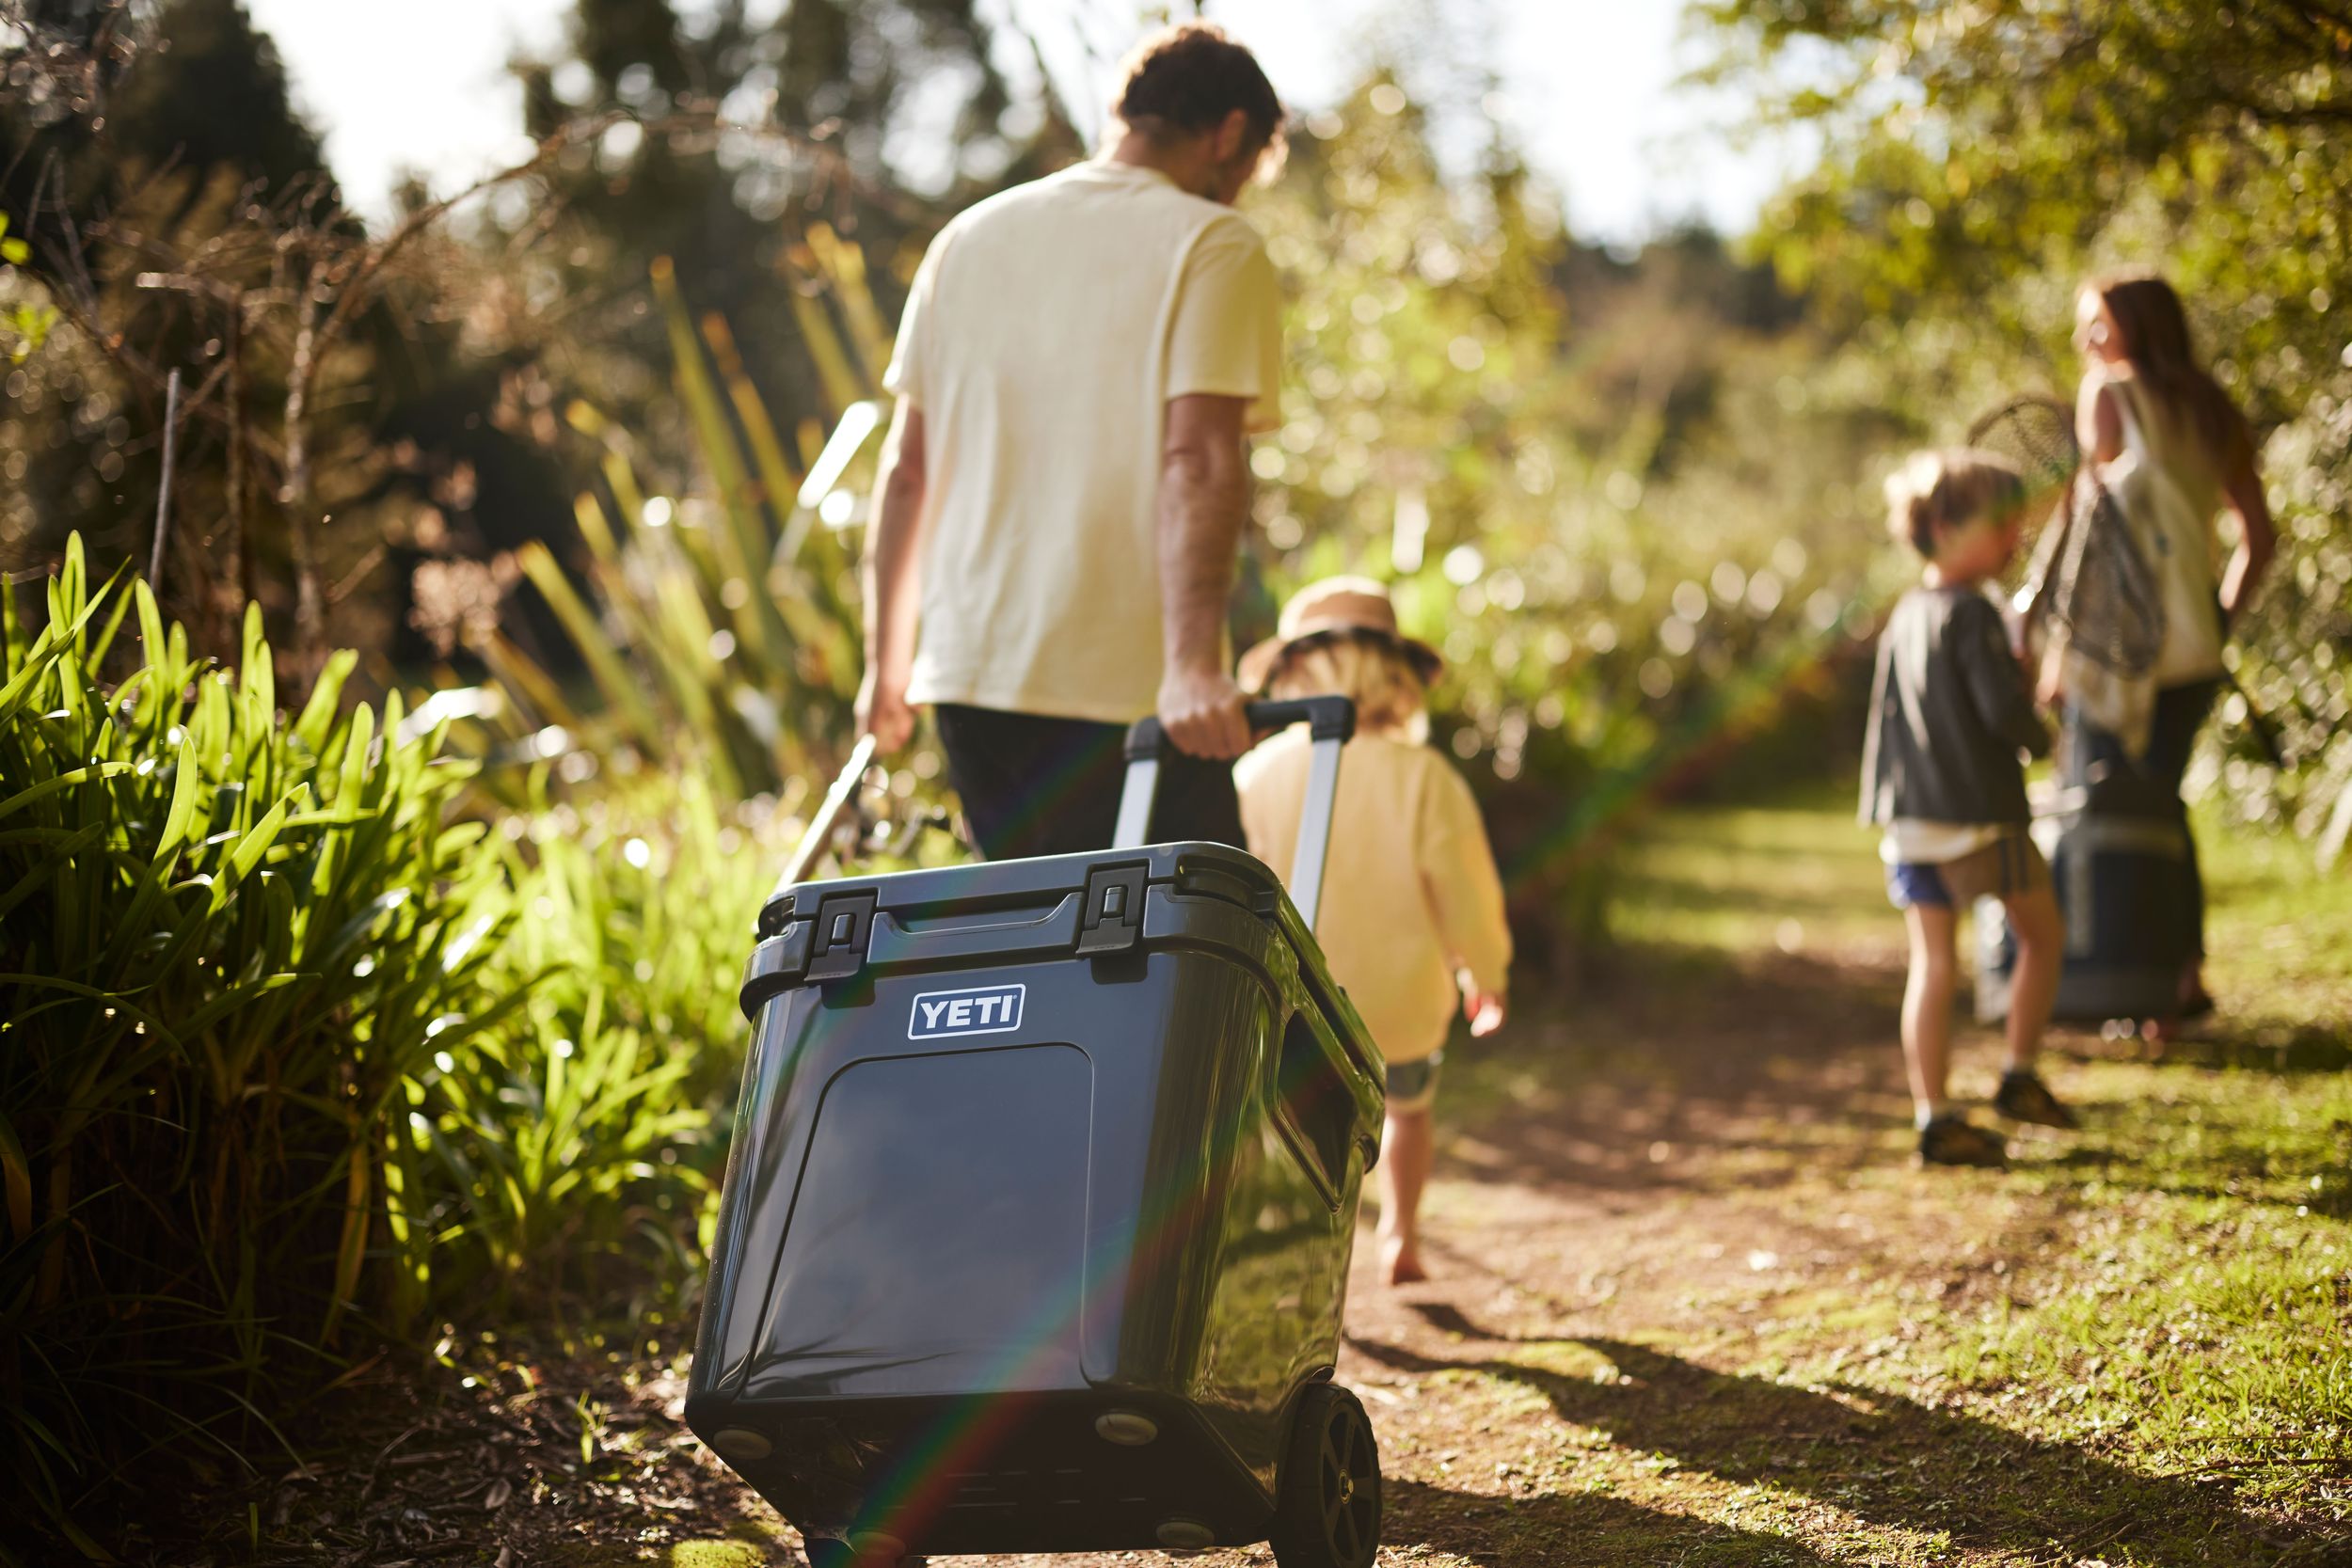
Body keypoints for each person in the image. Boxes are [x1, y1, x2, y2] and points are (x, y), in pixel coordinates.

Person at [851, 21, 1287, 860]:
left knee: (1032, 963)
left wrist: (887, 663)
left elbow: (908, 474)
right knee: (1193, 963)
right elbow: (1198, 458)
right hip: (1124, 691)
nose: (1236, 194)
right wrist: (1196, 666)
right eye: (1247, 171)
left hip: (971, 680)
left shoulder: (966, 239)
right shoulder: (1213, 243)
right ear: (1230, 133)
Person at [1233, 578, 1511, 1282]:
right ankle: (1402, 1237)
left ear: (1291, 673)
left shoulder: (1255, 773)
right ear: (1397, 677)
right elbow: (1465, 888)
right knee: (1409, 1112)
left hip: (1295, 1001)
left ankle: (1307, 1257)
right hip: (1400, 1003)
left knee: (1297, 1130)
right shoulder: (1424, 776)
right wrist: (1486, 969)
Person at [2066, 274, 2277, 1022]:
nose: (2085, 342)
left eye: (2098, 325)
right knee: (2164, 800)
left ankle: (2120, 974)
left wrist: (2059, 641)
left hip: (2123, 647)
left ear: (2136, 327)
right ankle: (2181, 976)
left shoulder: (2108, 396)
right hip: (2194, 645)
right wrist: (2217, 616)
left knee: (2109, 801)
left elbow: (2094, 534)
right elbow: (2259, 535)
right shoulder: (2211, 408)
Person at [1861, 451, 2077, 1168]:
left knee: (1933, 966)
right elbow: (2002, 716)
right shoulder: (1976, 613)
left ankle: (1937, 1116)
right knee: (2042, 934)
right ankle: (2018, 1075)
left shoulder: (1907, 615)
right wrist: (2038, 721)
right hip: (1983, 820)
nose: (2014, 536)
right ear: (1948, 529)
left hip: (1912, 826)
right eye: (2001, 523)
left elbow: (1890, 718)